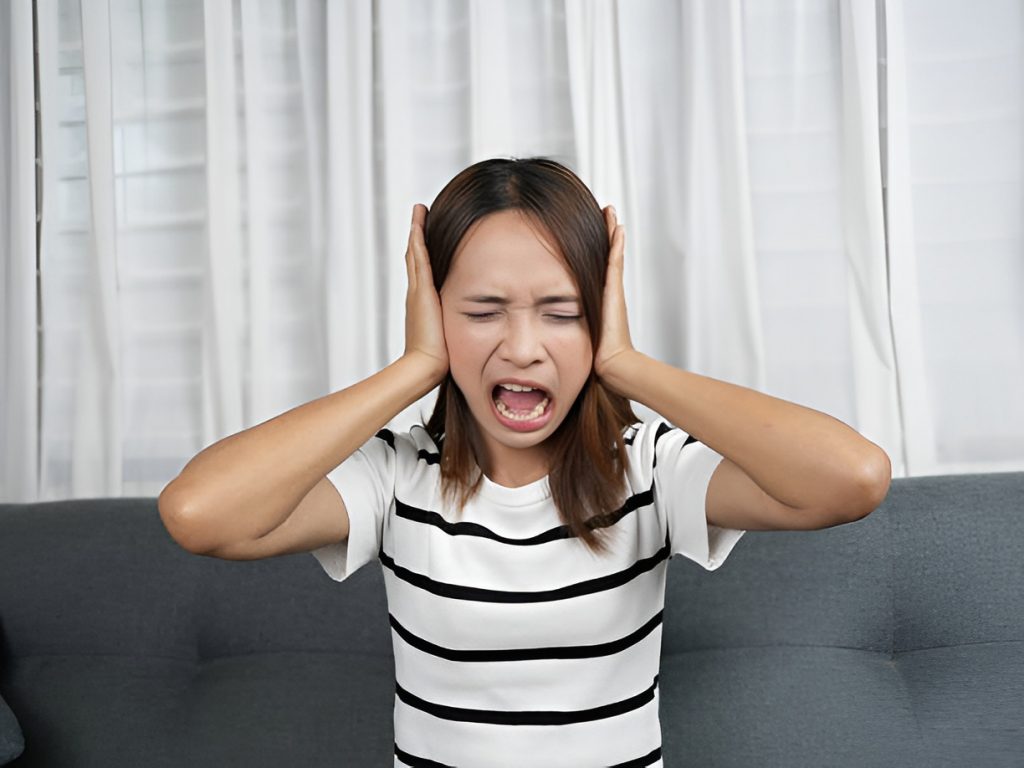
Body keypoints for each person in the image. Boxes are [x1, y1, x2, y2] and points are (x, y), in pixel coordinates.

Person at [158, 157, 892, 767]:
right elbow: (199, 514)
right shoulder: (395, 475)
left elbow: (851, 479)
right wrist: (413, 367)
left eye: (562, 311)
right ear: (434, 312)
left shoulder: (648, 471)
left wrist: (628, 365)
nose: (521, 347)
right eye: (481, 313)